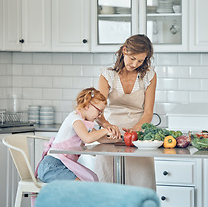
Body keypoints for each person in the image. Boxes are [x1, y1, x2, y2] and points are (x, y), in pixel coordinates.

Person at [93, 34, 157, 190]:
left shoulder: (149, 75)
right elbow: (97, 110)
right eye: (132, 58)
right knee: (107, 188)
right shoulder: (107, 74)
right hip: (110, 136)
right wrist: (107, 126)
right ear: (124, 50)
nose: (135, 64)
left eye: (140, 61)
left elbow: (148, 112)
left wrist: (135, 131)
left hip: (138, 138)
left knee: (141, 188)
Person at [36, 87, 120, 183]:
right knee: (82, 185)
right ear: (88, 106)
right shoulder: (75, 118)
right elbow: (87, 138)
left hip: (63, 165)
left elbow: (100, 139)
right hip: (52, 167)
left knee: (92, 179)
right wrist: (105, 130)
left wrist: (118, 138)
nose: (100, 116)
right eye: (99, 111)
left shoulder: (83, 122)